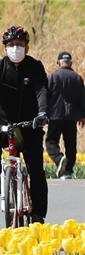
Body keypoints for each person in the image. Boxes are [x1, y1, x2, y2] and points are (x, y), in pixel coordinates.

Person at [0, 25, 49, 224]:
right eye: (12, 44)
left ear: (27, 47)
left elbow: (42, 90)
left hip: (30, 125)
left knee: (36, 171)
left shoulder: (35, 66)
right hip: (4, 124)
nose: (16, 48)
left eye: (20, 44)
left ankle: (38, 214)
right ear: (5, 47)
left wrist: (42, 113)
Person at [46, 52, 85, 180]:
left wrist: (44, 113)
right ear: (71, 63)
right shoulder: (77, 78)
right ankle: (68, 171)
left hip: (55, 116)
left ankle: (59, 159)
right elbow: (82, 99)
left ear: (58, 62)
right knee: (70, 144)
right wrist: (83, 115)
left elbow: (46, 97)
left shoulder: (52, 77)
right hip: (71, 117)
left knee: (51, 142)